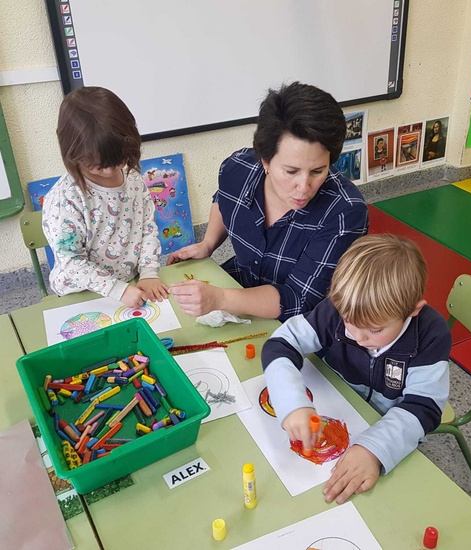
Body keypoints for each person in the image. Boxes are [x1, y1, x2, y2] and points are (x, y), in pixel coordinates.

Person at [262, 234, 451, 504]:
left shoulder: (431, 335)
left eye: (374, 330)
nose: (358, 337)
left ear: (412, 310)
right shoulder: (337, 310)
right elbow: (280, 344)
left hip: (388, 426)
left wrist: (374, 450)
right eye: (349, 322)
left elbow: (424, 407)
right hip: (340, 403)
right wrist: (292, 404)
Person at [167, 82, 368, 322]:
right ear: (265, 161)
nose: (304, 188)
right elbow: (224, 199)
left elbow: (297, 299)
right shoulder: (238, 168)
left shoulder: (344, 212)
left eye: (318, 171)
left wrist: (219, 299)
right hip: (240, 288)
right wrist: (208, 243)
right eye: (291, 171)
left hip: (303, 324)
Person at [42, 86, 168, 308]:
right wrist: (116, 290)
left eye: (118, 160)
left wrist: (149, 271)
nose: (110, 171)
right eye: (98, 167)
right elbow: (71, 261)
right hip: (81, 293)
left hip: (131, 284)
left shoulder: (133, 179)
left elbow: (147, 227)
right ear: (73, 154)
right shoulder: (65, 199)